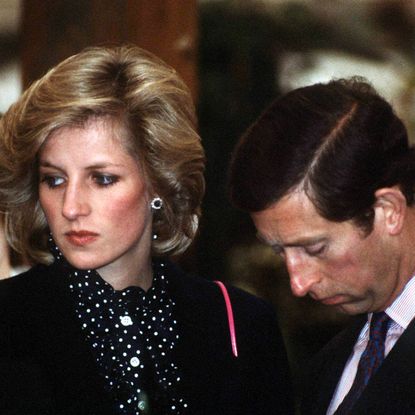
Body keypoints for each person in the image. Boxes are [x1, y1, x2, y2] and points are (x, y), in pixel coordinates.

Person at [0, 45, 293, 415]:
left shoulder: (239, 324)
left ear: (159, 181)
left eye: (102, 179)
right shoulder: (9, 319)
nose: (71, 207)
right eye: (54, 180)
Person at [228, 77, 415, 414]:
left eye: (315, 249)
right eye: (279, 251)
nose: (298, 284)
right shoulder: (328, 366)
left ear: (388, 211)